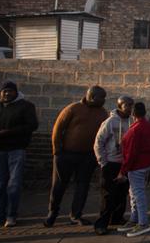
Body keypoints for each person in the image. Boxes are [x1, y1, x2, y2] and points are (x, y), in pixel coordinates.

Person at [45, 85, 109, 227]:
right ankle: (52, 213)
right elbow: (58, 128)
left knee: (82, 186)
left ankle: (76, 215)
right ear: (92, 96)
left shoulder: (103, 113)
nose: (104, 100)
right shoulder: (73, 108)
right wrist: (57, 151)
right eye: (102, 97)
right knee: (59, 185)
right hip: (66, 154)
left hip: (88, 157)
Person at [0, 81, 38, 228]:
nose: (7, 94)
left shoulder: (26, 106)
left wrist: (10, 132)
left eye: (10, 91)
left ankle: (11, 215)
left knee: (13, 184)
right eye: (4, 91)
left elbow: (32, 125)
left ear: (15, 93)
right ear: (0, 93)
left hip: (16, 149)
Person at [93, 95, 134, 235]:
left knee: (122, 193)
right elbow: (98, 142)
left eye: (131, 105)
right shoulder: (110, 122)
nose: (130, 108)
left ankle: (117, 218)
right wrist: (103, 162)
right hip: (110, 163)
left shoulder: (132, 121)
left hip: (124, 164)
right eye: (127, 105)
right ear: (120, 106)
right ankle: (101, 223)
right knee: (108, 194)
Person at [116, 102, 150, 238]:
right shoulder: (148, 125)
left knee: (137, 194)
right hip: (147, 162)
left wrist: (123, 170)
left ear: (132, 114)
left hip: (137, 165)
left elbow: (131, 153)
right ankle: (134, 219)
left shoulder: (135, 130)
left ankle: (143, 223)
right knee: (133, 192)